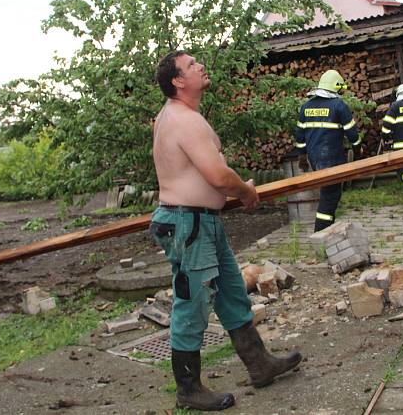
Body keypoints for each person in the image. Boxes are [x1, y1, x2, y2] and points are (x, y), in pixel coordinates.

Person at [151, 50, 302, 411]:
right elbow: (218, 177)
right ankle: (188, 389)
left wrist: (233, 187)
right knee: (193, 303)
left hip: (202, 221)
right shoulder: (182, 119)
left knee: (232, 292)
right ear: (177, 81)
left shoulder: (186, 117)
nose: (201, 65)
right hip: (187, 224)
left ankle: (260, 364)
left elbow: (209, 172)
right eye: (191, 65)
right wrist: (246, 191)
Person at [293, 69, 361, 232]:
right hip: (333, 158)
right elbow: (352, 133)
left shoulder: (305, 107)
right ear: (335, 87)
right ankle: (321, 232)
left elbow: (299, 135)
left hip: (315, 159)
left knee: (329, 193)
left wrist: (302, 157)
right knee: (330, 196)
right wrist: (358, 150)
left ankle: (327, 229)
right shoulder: (338, 105)